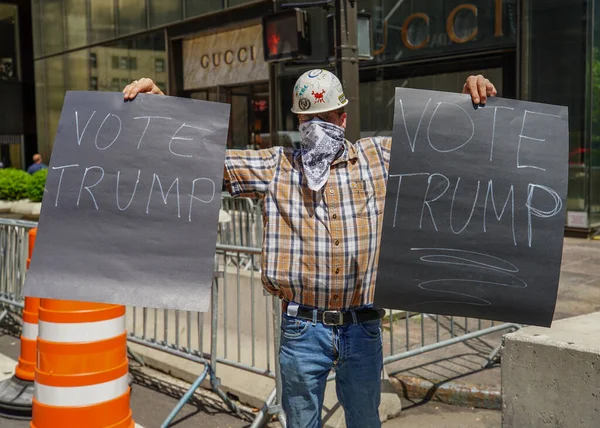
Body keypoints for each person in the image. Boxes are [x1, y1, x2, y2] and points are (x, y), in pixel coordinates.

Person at [123, 71, 496, 428]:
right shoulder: (277, 166)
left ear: (343, 117)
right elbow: (208, 158)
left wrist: (468, 103)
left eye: (325, 116)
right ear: (299, 121)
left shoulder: (377, 159)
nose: (316, 126)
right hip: (302, 331)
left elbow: (442, 145)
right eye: (308, 118)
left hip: (362, 327)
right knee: (301, 423)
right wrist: (164, 109)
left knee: (365, 421)